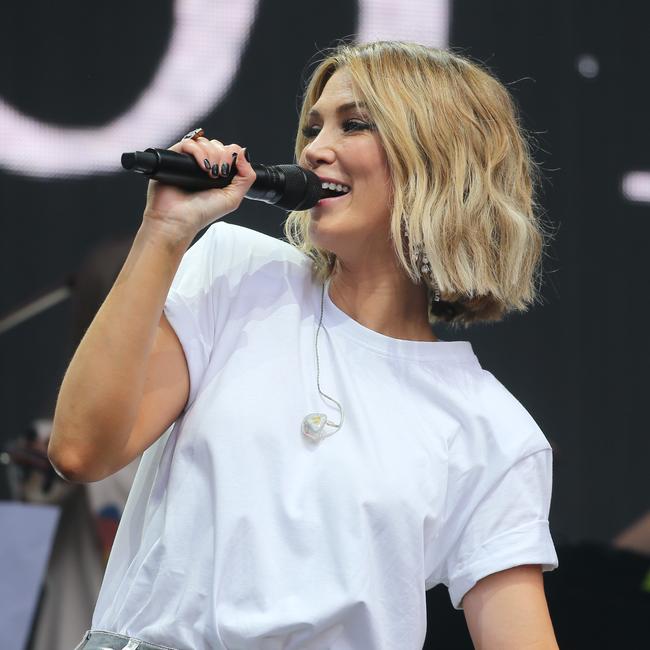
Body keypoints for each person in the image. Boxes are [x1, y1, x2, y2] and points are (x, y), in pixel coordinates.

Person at [49, 41, 560, 650]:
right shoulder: (237, 275)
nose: (315, 148)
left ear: (441, 159)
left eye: (355, 124)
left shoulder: (491, 429)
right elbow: (81, 451)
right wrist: (163, 232)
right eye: (314, 125)